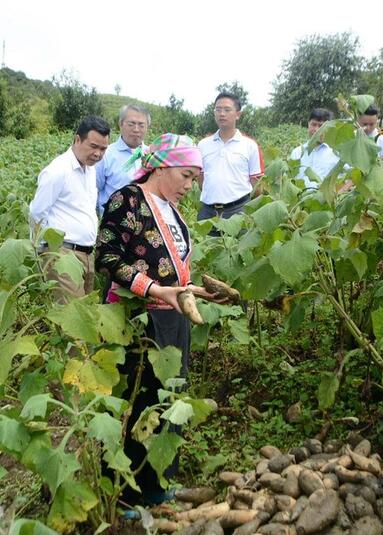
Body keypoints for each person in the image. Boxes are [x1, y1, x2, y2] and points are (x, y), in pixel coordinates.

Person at [96, 133, 223, 505]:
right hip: (135, 318)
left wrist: (190, 290)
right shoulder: (128, 200)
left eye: (193, 179)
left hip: (173, 317)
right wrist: (152, 289)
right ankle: (124, 494)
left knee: (167, 398)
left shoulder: (170, 208)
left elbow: (169, 267)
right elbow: (106, 255)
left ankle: (156, 485)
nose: (189, 186)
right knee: (137, 399)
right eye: (185, 176)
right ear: (162, 167)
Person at [29, 115, 110, 302]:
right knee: (72, 313)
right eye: (93, 146)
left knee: (85, 311)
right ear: (77, 140)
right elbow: (37, 212)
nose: (98, 154)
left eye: (103, 149)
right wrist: (43, 252)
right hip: (63, 254)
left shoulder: (90, 169)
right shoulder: (58, 170)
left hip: (86, 253)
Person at [197, 92, 264, 221]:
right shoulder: (203, 144)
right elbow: (201, 179)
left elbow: (257, 185)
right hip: (208, 212)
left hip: (238, 210)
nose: (222, 114)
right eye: (218, 110)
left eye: (227, 110)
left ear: (238, 114)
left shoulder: (250, 145)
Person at [95, 104, 151, 216]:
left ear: (147, 128)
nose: (136, 129)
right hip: (111, 221)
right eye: (131, 124)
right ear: (120, 124)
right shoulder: (106, 154)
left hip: (143, 221)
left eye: (141, 125)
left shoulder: (151, 155)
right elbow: (94, 189)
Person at [288, 108, 340, 188]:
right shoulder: (297, 153)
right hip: (301, 196)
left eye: (321, 126)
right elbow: (290, 179)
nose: (316, 130)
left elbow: (350, 177)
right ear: (308, 124)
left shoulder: (336, 153)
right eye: (313, 124)